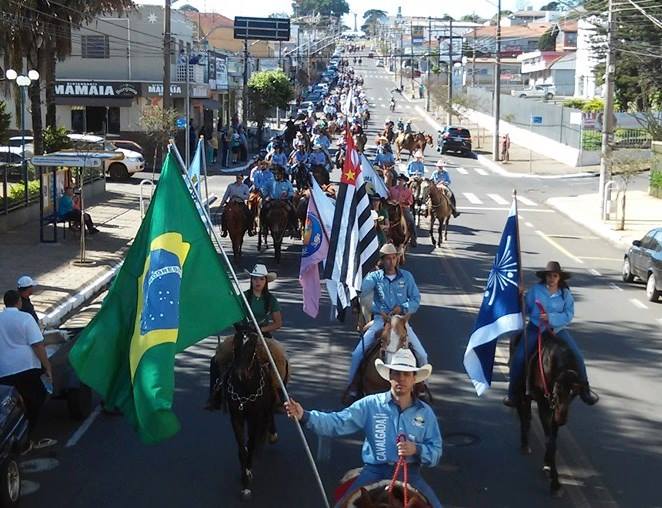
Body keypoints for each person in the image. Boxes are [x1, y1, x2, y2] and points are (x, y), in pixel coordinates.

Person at [285, 348, 443, 508]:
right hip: (373, 472)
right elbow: (338, 421)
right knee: (341, 506)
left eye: (406, 374)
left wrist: (417, 449)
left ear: (414, 378)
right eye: (396, 373)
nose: (401, 378)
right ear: (389, 376)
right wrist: (304, 415)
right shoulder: (370, 404)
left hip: (410, 474)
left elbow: (436, 451)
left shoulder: (425, 413)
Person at [503, 261, 599, 407]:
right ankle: (512, 394)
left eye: (555, 276)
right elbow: (526, 309)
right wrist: (521, 297)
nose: (551, 278)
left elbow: (569, 314)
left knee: (577, 356)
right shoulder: (535, 290)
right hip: (536, 329)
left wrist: (551, 318)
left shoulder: (565, 294)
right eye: (549, 276)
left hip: (557, 331)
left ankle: (585, 391)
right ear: (545, 277)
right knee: (520, 357)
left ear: (559, 278)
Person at [346, 243, 428, 396]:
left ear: (398, 258)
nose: (391, 261)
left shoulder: (407, 277)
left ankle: (421, 385)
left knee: (422, 355)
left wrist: (402, 307)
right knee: (357, 354)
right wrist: (379, 310)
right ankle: (353, 385)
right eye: (388, 258)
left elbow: (416, 299)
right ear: (382, 260)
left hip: (401, 322)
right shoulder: (375, 277)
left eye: (394, 257)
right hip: (380, 321)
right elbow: (363, 293)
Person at [206, 265, 289, 410]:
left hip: (262, 336)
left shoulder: (270, 300)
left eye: (261, 279)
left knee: (281, 359)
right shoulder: (243, 297)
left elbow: (278, 323)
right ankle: (215, 394)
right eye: (255, 279)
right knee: (217, 358)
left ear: (266, 281)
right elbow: (231, 315)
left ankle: (279, 395)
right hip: (242, 334)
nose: (258, 282)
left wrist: (260, 329)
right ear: (251, 280)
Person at [0, 290, 53, 449]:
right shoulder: (25, 318)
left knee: (9, 404)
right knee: (37, 397)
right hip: (26, 368)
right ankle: (27, 435)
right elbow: (37, 344)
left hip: (4, 370)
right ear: (18, 302)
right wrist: (47, 367)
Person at [388, 174, 417, 247]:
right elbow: (388, 198)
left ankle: (413, 238)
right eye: (398, 180)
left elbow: (410, 201)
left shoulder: (408, 191)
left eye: (400, 180)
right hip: (392, 208)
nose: (399, 181)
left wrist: (402, 202)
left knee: (411, 220)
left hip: (403, 208)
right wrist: (392, 201)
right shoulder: (391, 189)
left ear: (404, 182)